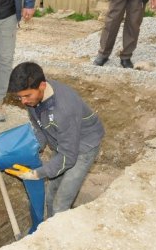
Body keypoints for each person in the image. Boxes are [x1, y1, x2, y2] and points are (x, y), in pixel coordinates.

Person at [7, 62, 104, 218]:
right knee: (51, 193)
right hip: (64, 141)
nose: (23, 101)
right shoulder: (34, 96)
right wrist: (31, 149)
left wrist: (36, 174)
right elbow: (39, 127)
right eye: (20, 97)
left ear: (42, 86)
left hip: (83, 146)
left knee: (60, 205)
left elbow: (68, 157)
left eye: (26, 96)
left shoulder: (64, 110)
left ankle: (58, 234)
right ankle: (47, 228)